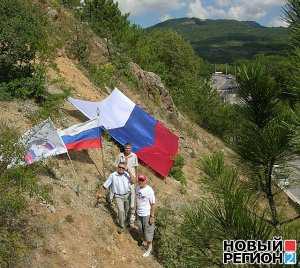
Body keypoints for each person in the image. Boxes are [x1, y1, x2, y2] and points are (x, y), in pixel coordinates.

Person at [103, 162, 132, 233]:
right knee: (121, 211)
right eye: (120, 167)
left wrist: (129, 172)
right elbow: (105, 186)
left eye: (123, 168)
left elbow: (134, 181)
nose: (121, 169)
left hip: (127, 195)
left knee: (127, 210)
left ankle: (126, 222)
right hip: (118, 196)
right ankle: (121, 226)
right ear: (117, 167)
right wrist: (100, 193)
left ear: (125, 169)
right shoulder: (113, 175)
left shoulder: (127, 174)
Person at [115, 143, 138, 226]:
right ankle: (122, 217)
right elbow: (115, 166)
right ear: (124, 148)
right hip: (122, 179)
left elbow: (136, 168)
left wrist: (136, 178)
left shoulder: (134, 156)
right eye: (126, 148)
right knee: (123, 197)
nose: (127, 149)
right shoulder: (120, 155)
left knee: (132, 197)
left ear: (131, 149)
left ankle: (131, 218)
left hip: (131, 179)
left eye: (129, 148)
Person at [135, 174, 155, 257]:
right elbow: (137, 200)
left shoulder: (149, 190)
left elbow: (153, 204)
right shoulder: (137, 188)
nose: (141, 181)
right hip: (139, 213)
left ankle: (149, 249)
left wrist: (152, 216)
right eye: (140, 179)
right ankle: (143, 242)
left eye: (142, 180)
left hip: (146, 214)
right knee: (140, 229)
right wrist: (135, 211)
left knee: (148, 233)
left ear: (145, 180)